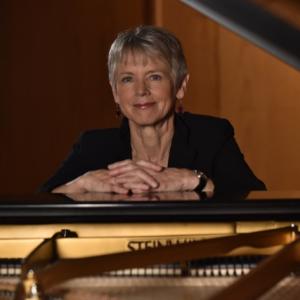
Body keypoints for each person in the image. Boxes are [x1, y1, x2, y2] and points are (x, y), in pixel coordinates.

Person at [40, 25, 266, 194]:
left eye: (154, 77)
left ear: (180, 86)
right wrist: (81, 184)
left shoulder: (211, 136)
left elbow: (257, 200)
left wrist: (195, 181)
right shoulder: (93, 146)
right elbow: (38, 205)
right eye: (128, 79)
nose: (141, 90)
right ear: (115, 92)